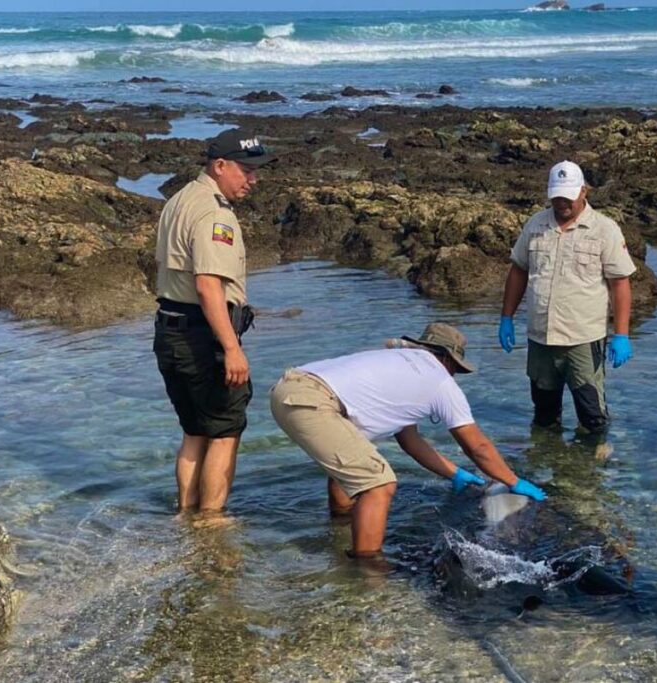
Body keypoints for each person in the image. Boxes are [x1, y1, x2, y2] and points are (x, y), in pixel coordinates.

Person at [269, 322, 546, 557]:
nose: (453, 376)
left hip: (291, 387)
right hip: (310, 400)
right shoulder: (440, 381)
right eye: (455, 370)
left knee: (355, 465)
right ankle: (367, 573)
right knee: (379, 484)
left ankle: (340, 529)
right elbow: (478, 446)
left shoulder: (399, 364)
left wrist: (455, 474)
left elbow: (410, 441)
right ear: (448, 360)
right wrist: (513, 481)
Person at [153, 129, 277, 517]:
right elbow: (208, 286)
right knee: (224, 433)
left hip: (170, 328)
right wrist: (232, 348)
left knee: (194, 433)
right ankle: (210, 525)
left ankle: (186, 515)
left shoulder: (180, 198)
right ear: (220, 166)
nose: (252, 180)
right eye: (246, 170)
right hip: (202, 336)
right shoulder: (213, 213)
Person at [499, 160, 637, 435]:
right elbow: (518, 272)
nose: (562, 203)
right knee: (544, 415)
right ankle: (547, 463)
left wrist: (622, 334)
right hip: (540, 337)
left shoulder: (604, 229)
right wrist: (506, 317)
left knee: (592, 416)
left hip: (582, 339)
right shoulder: (536, 224)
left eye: (568, 197)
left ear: (584, 191)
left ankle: (591, 471)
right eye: (557, 197)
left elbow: (620, 283)